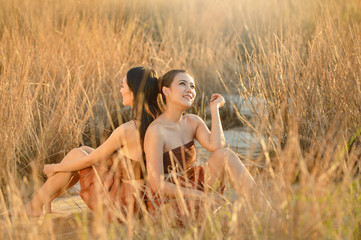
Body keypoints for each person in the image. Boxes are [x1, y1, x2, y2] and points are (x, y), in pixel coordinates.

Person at [24, 66, 162, 221]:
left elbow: (90, 161)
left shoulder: (128, 130)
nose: (120, 90)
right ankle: (48, 197)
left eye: (123, 86)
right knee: (85, 149)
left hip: (125, 203)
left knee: (78, 154)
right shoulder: (160, 121)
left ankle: (35, 205)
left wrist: (54, 167)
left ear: (135, 92)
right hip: (144, 196)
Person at [144, 69, 272, 219]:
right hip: (169, 197)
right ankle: (263, 219)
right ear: (166, 91)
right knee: (233, 215)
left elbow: (217, 146)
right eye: (182, 84)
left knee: (224, 155)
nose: (189, 90)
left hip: (192, 185)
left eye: (192, 86)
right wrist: (201, 196)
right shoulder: (156, 131)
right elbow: (157, 184)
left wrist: (215, 108)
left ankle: (266, 209)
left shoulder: (193, 121)